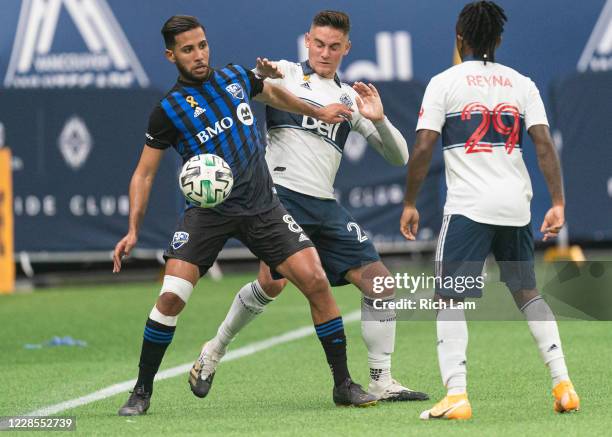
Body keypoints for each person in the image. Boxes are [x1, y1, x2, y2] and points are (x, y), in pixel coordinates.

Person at [113, 15, 378, 416]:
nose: (199, 55)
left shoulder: (236, 78)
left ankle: (343, 384)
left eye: (202, 45)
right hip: (207, 213)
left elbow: (277, 95)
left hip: (263, 208)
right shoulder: (168, 110)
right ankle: (141, 391)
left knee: (316, 281)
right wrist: (132, 230)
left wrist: (318, 111)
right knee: (171, 296)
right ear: (171, 55)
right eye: (188, 49)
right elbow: (144, 172)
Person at [189, 10, 428, 403]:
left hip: (324, 206)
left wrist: (380, 120)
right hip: (278, 197)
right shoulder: (283, 72)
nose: (325, 52)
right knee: (273, 282)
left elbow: (398, 157)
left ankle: (381, 380)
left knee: (381, 285)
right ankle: (213, 351)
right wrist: (260, 77)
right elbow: (242, 89)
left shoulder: (349, 97)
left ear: (346, 48)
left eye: (335, 46)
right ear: (307, 41)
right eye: (319, 44)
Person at [400, 1, 580, 420]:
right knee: (527, 294)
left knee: (448, 296)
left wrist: (410, 202)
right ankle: (563, 384)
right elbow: (543, 144)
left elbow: (425, 146)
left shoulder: (443, 82)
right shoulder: (522, 83)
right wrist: (557, 202)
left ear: (459, 39)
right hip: (515, 207)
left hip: (468, 208)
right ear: (498, 40)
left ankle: (457, 395)